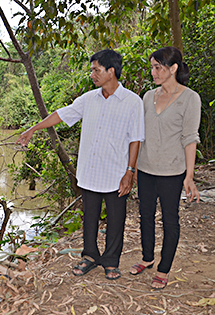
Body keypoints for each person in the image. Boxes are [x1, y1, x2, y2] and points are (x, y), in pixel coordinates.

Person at [16, 49, 145, 280]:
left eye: (96, 69)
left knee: (116, 220)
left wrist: (130, 171)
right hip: (90, 172)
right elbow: (60, 115)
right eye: (92, 69)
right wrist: (32, 129)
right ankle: (90, 256)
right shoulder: (88, 99)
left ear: (111, 71)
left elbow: (136, 138)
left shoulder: (132, 102)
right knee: (90, 217)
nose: (92, 74)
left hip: (116, 173)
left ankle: (111, 261)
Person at [129, 46, 201, 290]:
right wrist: (135, 166)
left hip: (172, 171)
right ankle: (147, 258)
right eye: (152, 67)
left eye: (158, 67)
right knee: (145, 216)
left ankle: (164, 268)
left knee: (170, 220)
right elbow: (140, 135)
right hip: (147, 169)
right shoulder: (148, 96)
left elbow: (190, 138)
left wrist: (189, 176)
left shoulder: (190, 98)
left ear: (173, 68)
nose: (153, 72)